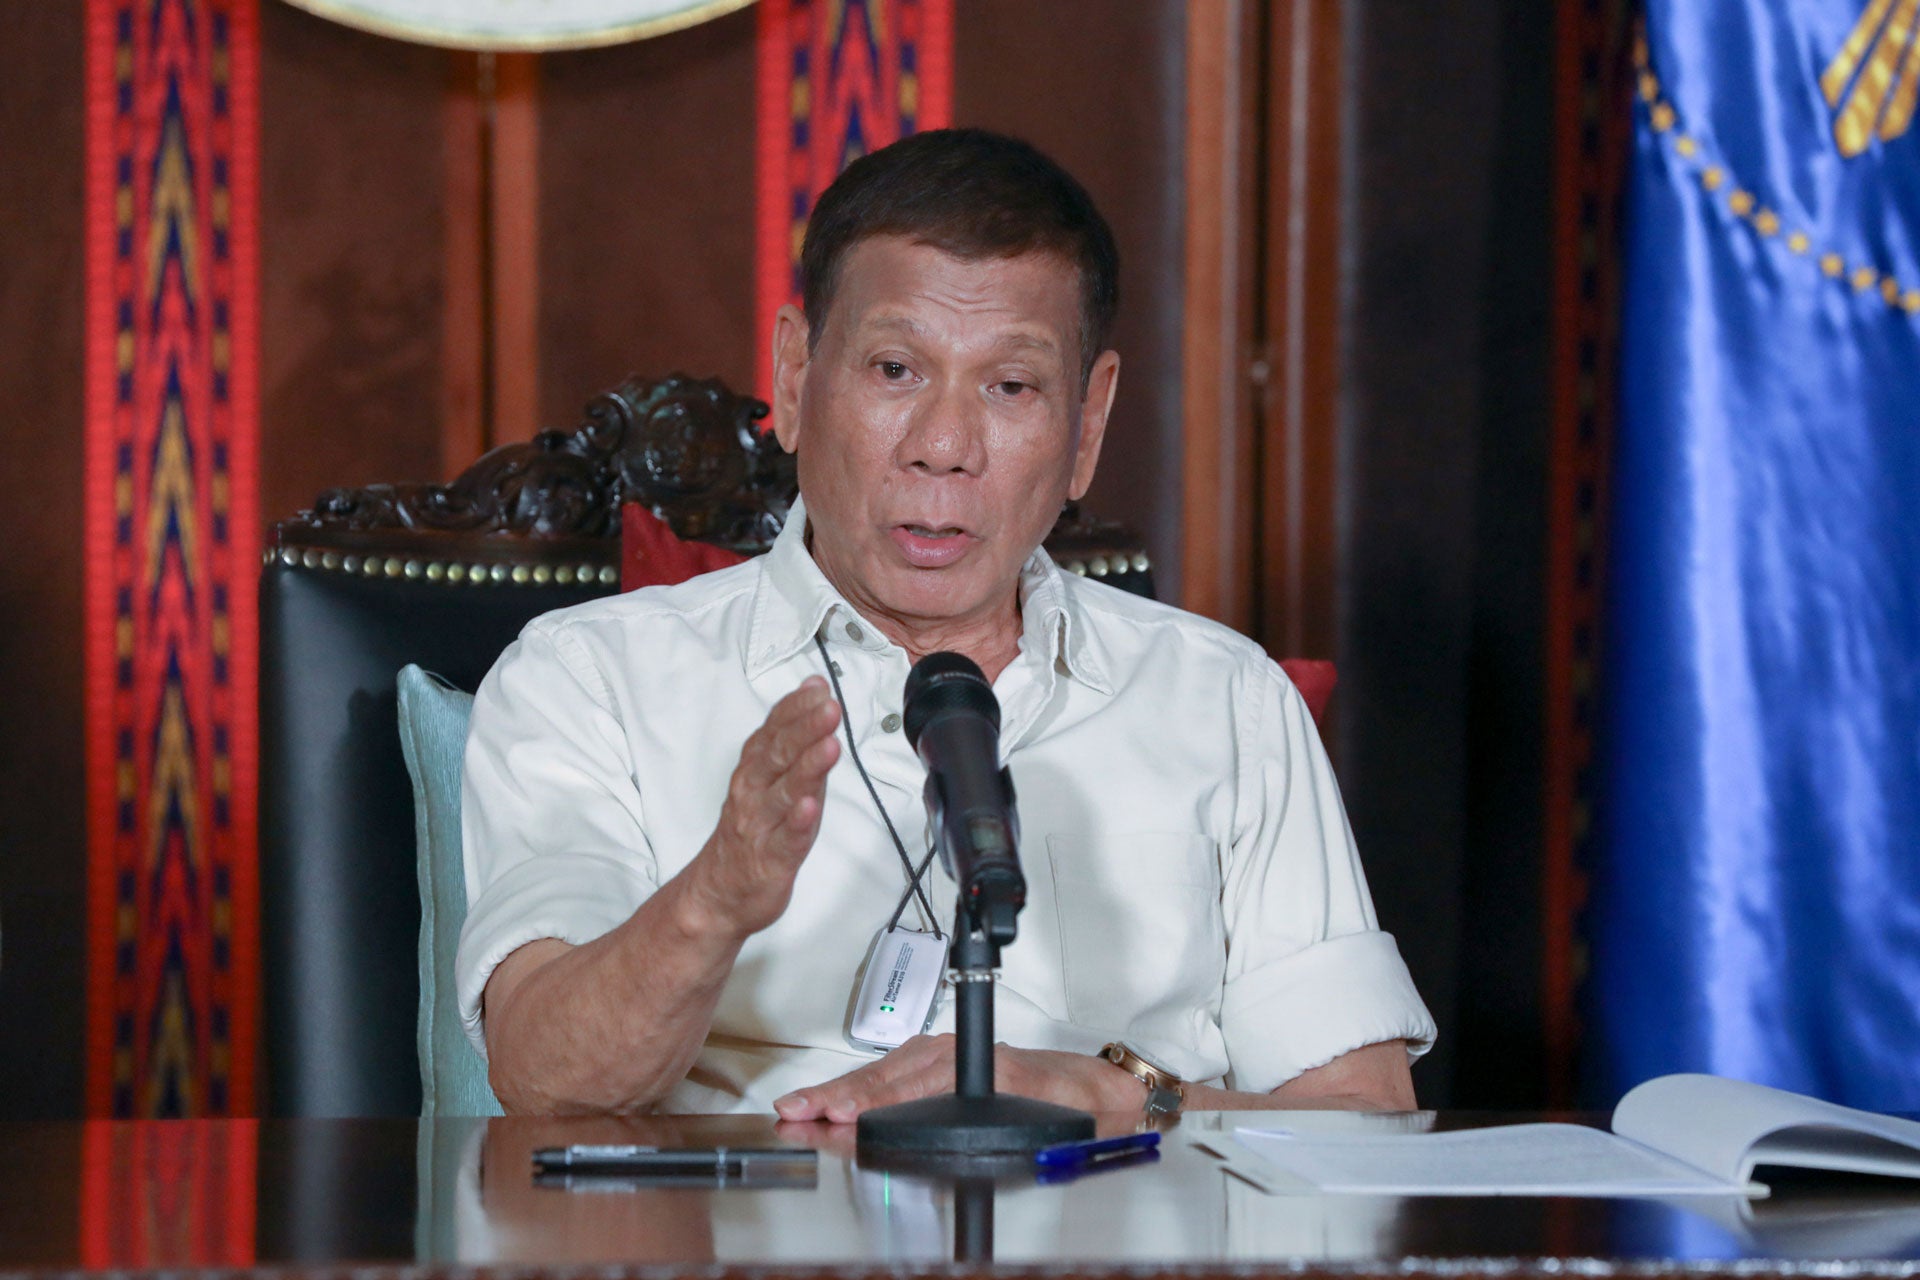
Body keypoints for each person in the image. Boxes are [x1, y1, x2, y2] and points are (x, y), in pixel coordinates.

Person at [456, 128, 1435, 1119]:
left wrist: (1099, 1091)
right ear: (795, 376)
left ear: (1088, 423)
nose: (944, 447)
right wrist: (711, 901)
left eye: (1011, 386)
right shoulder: (588, 680)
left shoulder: (1227, 702)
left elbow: (1367, 1118)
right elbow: (543, 1083)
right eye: (895, 370)